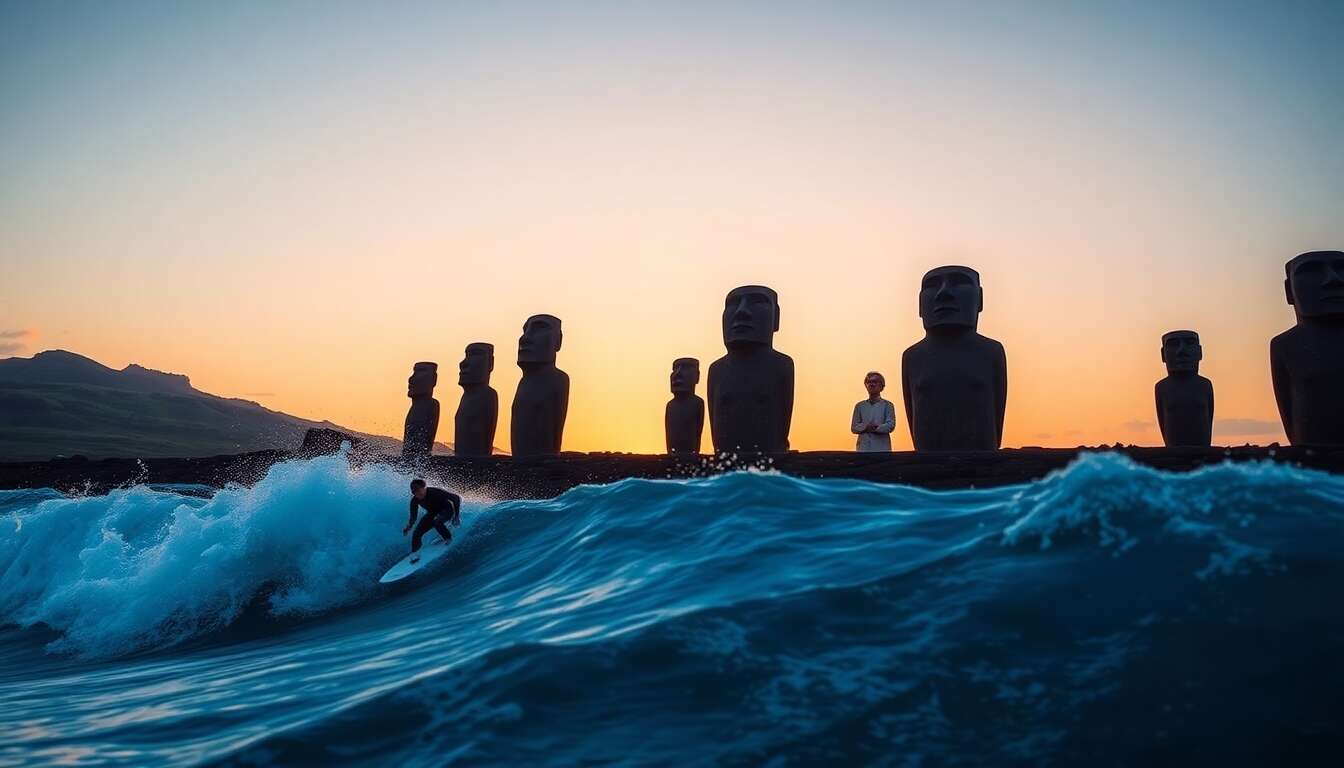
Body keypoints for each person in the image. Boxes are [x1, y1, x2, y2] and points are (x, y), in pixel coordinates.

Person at [404, 478, 461, 563]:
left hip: (447, 510)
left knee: (437, 522)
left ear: (424, 487)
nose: (417, 494)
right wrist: (408, 527)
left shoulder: (435, 491)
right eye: (414, 492)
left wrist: (456, 516)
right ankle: (415, 552)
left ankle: (448, 538)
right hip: (433, 513)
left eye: (418, 490)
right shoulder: (414, 500)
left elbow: (456, 498)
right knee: (417, 532)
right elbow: (413, 517)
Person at [851, 371, 896, 452]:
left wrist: (876, 428)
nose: (871, 384)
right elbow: (854, 427)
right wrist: (866, 427)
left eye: (875, 382)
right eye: (869, 382)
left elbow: (890, 425)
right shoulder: (860, 406)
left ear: (881, 386)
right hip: (863, 449)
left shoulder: (888, 405)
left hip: (882, 450)